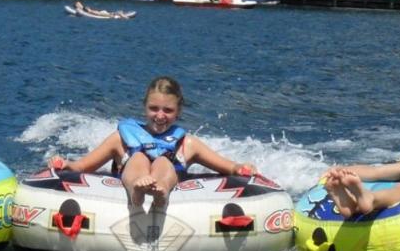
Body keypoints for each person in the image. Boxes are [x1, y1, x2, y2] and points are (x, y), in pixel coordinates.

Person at [50, 77, 257, 208]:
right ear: (144, 107)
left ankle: (161, 192)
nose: (160, 116)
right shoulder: (120, 139)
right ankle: (136, 192)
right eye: (154, 109)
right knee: (138, 157)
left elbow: (228, 167)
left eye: (168, 110)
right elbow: (82, 167)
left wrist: (241, 168)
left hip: (165, 178)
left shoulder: (188, 144)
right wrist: (67, 165)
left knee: (164, 162)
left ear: (179, 112)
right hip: (134, 176)